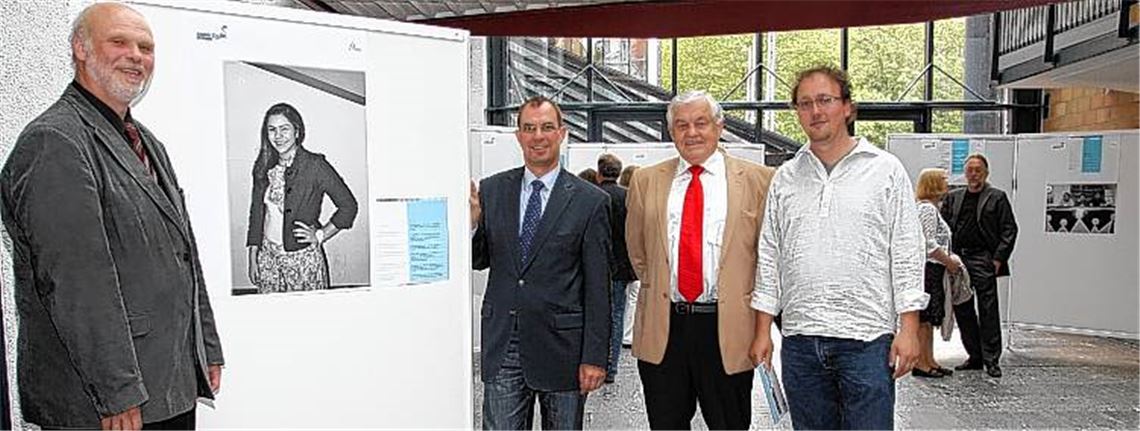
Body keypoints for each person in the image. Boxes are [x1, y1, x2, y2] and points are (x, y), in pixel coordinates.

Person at [0, 3, 223, 429]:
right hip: (104, 404)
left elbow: (183, 253)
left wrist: (205, 348)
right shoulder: (54, 142)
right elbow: (78, 285)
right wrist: (115, 393)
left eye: (146, 47)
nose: (136, 55)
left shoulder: (147, 142)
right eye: (119, 42)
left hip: (166, 385)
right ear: (80, 49)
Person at [749, 66, 927, 430]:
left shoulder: (886, 170)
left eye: (825, 100)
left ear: (847, 107)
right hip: (800, 341)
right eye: (805, 103)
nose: (815, 111)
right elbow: (770, 254)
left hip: (866, 342)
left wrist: (909, 328)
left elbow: (907, 250)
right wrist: (762, 330)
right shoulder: (786, 176)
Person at [625, 90, 775, 429]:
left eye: (701, 123)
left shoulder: (759, 180)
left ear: (719, 126)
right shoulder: (646, 181)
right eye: (681, 125)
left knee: (730, 424)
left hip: (728, 329)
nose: (691, 133)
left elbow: (768, 257)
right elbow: (638, 251)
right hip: (665, 328)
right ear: (671, 132)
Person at [470, 96, 611, 430]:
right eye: (529, 128)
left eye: (547, 127)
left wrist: (594, 357)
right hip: (505, 342)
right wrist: (473, 225)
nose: (538, 136)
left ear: (562, 133)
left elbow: (598, 287)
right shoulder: (492, 191)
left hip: (563, 349)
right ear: (518, 136)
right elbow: (479, 260)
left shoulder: (591, 201)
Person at [246, 102, 358, 294]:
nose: (278, 136)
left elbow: (348, 206)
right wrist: (252, 255)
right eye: (272, 130)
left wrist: (321, 235)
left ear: (297, 131)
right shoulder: (263, 166)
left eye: (284, 129)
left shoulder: (315, 165)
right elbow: (256, 213)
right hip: (268, 260)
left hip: (302, 261)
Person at [942, 153, 1018, 378]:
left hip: (983, 259)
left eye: (978, 170)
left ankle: (992, 359)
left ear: (986, 173)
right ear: (965, 173)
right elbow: (943, 228)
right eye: (970, 170)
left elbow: (1009, 229)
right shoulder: (953, 197)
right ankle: (974, 356)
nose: (973, 174)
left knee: (988, 309)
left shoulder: (997, 197)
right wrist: (947, 257)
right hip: (958, 260)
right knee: (963, 309)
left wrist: (997, 259)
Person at [913, 168, 964, 378]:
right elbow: (928, 243)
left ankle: (930, 359)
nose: (947, 182)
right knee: (925, 319)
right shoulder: (927, 209)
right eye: (943, 179)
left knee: (931, 318)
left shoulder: (931, 208)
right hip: (929, 269)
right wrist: (949, 261)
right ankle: (921, 363)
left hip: (934, 268)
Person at [596, 153, 637, 383]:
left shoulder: (593, 195)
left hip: (596, 266)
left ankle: (596, 362)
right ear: (619, 173)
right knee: (617, 315)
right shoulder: (628, 197)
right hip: (621, 267)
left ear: (600, 172)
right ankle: (611, 368)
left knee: (596, 315)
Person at [618, 164, 640, 346]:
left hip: (617, 259)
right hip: (631, 259)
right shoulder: (633, 200)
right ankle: (628, 333)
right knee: (633, 296)